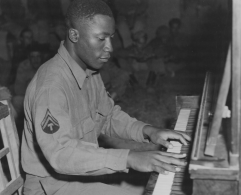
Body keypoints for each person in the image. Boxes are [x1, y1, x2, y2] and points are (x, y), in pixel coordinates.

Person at [21, 1, 190, 195]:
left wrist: (148, 131)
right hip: (51, 187)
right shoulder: (51, 86)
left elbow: (108, 116)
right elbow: (62, 154)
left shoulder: (89, 71)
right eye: (101, 38)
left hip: (79, 177)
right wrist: (130, 158)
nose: (110, 47)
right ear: (74, 35)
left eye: (111, 38)